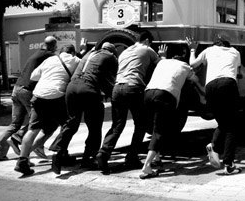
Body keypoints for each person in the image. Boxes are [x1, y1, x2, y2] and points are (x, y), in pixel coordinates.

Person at [96, 31, 163, 173]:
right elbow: (160, 65)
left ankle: (104, 152)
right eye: (149, 43)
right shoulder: (146, 49)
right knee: (141, 124)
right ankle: (132, 157)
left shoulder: (124, 52)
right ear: (146, 41)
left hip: (117, 88)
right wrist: (162, 56)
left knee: (117, 125)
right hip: (133, 87)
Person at [49, 42, 118, 174]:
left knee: (72, 122)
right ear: (112, 51)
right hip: (88, 89)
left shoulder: (89, 54)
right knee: (95, 126)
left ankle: (58, 152)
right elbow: (111, 79)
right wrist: (113, 96)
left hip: (72, 87)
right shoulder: (111, 57)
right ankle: (88, 158)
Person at [14, 44, 80, 176]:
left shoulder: (49, 60)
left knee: (33, 129)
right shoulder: (75, 60)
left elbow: (33, 76)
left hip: (39, 96)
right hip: (57, 96)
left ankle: (22, 160)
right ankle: (59, 152)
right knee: (69, 124)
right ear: (72, 52)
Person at [0, 36, 58, 161]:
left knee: (15, 123)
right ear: (54, 46)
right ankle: (18, 139)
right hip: (27, 90)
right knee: (39, 120)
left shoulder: (36, 54)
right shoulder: (49, 56)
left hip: (17, 89)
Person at [140, 45, 199, 179]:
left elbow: (162, 60)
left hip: (148, 93)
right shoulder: (185, 66)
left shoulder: (162, 62)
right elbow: (195, 80)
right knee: (159, 131)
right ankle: (146, 166)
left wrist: (163, 55)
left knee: (154, 127)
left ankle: (156, 158)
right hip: (165, 95)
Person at [186, 35, 242, 175]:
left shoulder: (209, 50)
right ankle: (229, 164)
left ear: (216, 44)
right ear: (227, 45)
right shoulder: (235, 52)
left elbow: (192, 64)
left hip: (210, 86)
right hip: (228, 84)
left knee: (223, 122)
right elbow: (239, 73)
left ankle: (214, 146)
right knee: (232, 126)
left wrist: (192, 50)